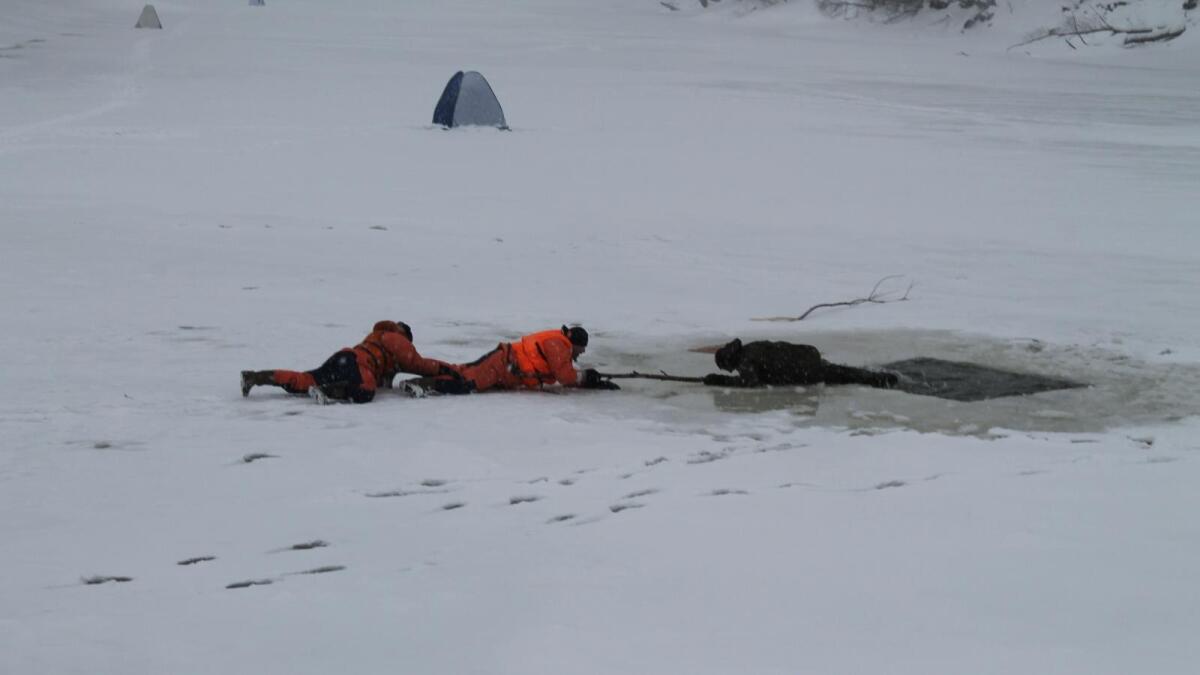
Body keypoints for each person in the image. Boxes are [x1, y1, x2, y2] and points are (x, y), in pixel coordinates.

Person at [240, 320, 461, 403]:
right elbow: (418, 364)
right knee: (365, 391)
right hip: (358, 364)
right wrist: (450, 370)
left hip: (345, 358)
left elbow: (388, 374)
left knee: (305, 379)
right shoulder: (395, 339)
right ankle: (327, 392)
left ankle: (256, 376)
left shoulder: (377, 336)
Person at [409, 325, 619, 395]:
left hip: (505, 367)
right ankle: (421, 385)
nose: (581, 354)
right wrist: (586, 378)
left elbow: (562, 374)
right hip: (503, 364)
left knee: (463, 373)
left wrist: (592, 382)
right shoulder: (559, 344)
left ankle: (423, 377)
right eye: (581, 349)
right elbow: (564, 376)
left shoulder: (560, 344)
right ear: (575, 343)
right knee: (467, 383)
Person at [702, 338, 898, 389]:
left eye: (726, 369)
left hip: (802, 371)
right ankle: (877, 376)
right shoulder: (750, 348)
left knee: (844, 377)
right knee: (843, 372)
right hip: (806, 357)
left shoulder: (745, 362)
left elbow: (751, 383)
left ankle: (880, 379)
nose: (731, 372)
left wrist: (720, 381)